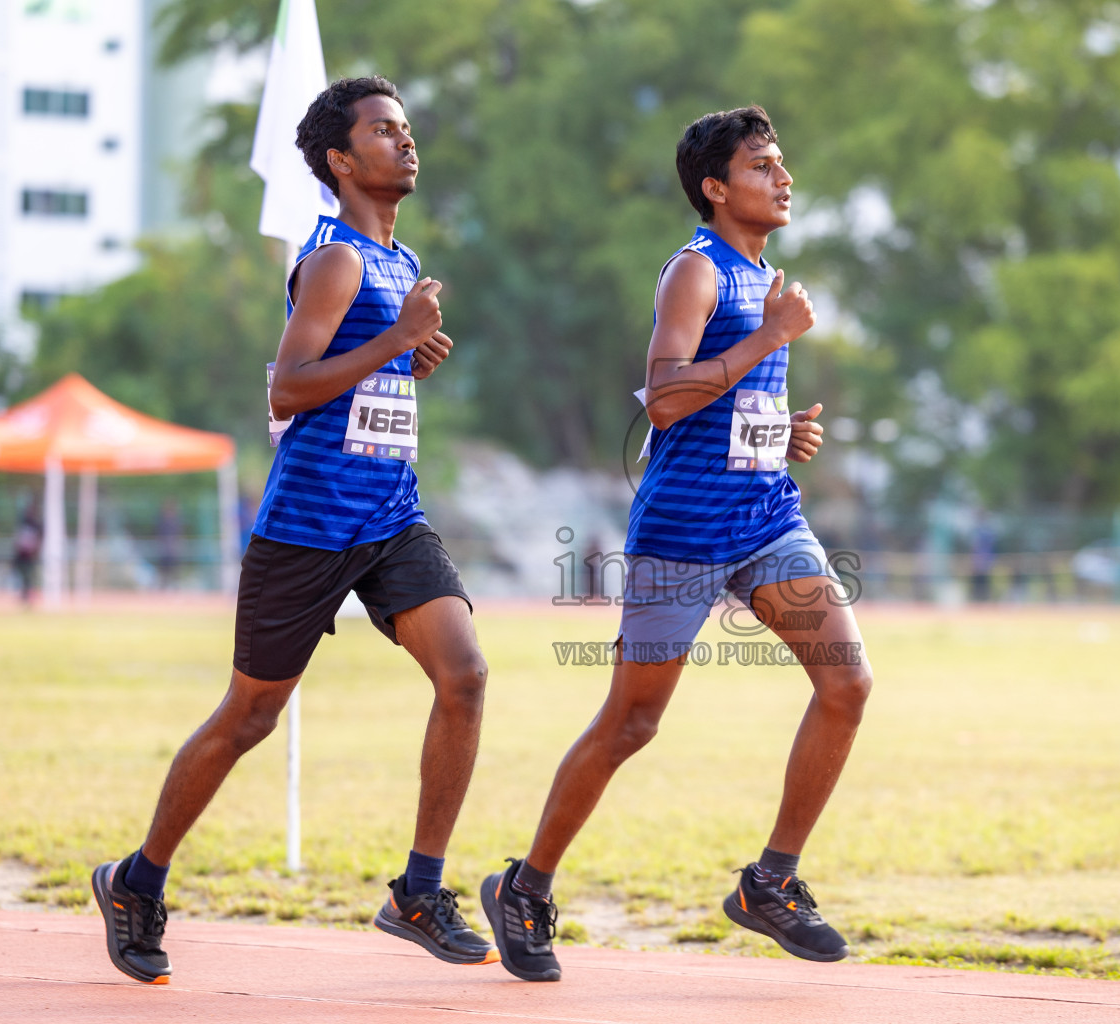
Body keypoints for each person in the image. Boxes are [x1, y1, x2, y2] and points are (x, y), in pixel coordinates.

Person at [91, 76, 495, 985]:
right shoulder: (337, 259)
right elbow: (288, 387)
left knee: (464, 674)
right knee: (251, 715)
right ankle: (137, 880)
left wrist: (405, 356)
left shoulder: (398, 260)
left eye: (406, 128)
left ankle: (417, 892)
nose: (406, 142)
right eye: (384, 132)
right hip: (310, 526)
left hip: (391, 513)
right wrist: (394, 342)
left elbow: (357, 381)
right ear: (341, 161)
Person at [480, 106, 872, 982]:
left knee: (846, 683)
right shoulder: (698, 273)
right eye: (764, 165)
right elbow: (662, 401)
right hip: (684, 534)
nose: (784, 178)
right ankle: (526, 886)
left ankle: (770, 882)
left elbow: (723, 412)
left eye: (782, 163)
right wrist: (772, 337)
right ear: (715, 186)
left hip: (767, 519)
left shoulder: (766, 276)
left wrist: (782, 435)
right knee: (632, 721)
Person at [13, 500, 42, 607]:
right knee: (22, 576)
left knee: (30, 577)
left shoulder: (37, 525)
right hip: (21, 554)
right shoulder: (23, 523)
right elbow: (18, 538)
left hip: (31, 555)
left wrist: (35, 552)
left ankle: (30, 598)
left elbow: (39, 540)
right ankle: (23, 596)